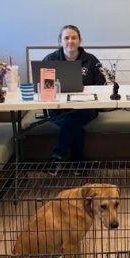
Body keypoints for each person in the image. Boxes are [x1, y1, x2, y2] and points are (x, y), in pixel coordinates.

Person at [43, 25, 106, 169]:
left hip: (86, 108)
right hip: (58, 109)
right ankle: (79, 164)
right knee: (74, 124)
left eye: (74, 37)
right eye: (66, 38)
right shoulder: (50, 59)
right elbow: (43, 87)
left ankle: (57, 157)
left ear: (80, 40)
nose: (70, 41)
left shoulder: (91, 60)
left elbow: (102, 85)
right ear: (60, 41)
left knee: (73, 117)